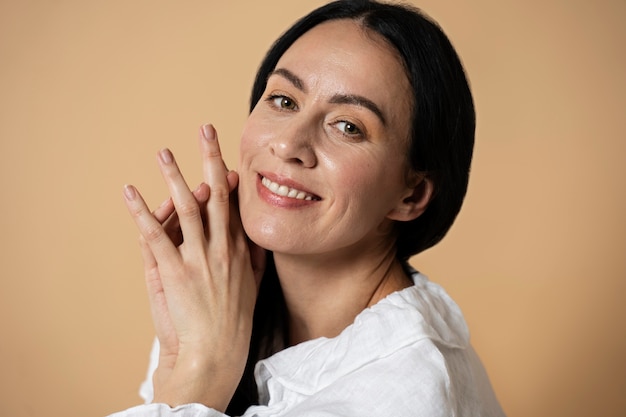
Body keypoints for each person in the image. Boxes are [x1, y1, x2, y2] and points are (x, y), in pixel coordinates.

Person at [112, 0, 506, 416]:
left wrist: (200, 370)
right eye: (284, 100)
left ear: (410, 195)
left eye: (348, 126)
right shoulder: (216, 304)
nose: (288, 144)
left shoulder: (403, 390)